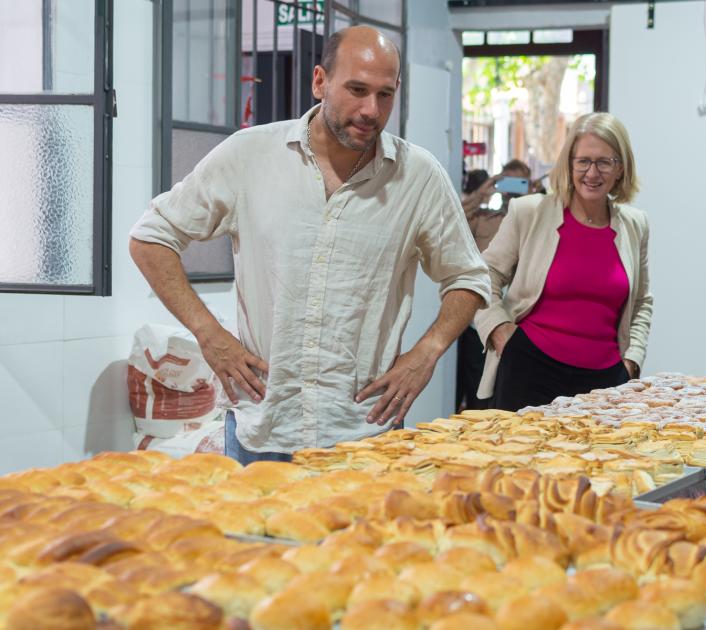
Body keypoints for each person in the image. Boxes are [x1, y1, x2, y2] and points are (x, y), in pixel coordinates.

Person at [129, 26, 489, 464]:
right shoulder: (251, 155)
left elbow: (468, 276)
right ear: (320, 81)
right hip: (262, 429)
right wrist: (209, 334)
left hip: (365, 432)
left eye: (384, 95)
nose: (370, 110)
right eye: (356, 90)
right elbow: (151, 237)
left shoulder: (418, 176)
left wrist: (427, 352)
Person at [475, 112, 653, 411]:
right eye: (583, 161)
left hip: (606, 382)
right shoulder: (529, 212)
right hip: (529, 371)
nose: (592, 173)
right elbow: (483, 276)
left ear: (620, 168)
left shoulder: (636, 225)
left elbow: (642, 302)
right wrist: (500, 332)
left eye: (604, 162)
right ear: (569, 164)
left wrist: (632, 360)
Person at [456, 159, 533, 411]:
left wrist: (534, 198)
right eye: (507, 182)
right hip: (480, 315)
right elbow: (451, 220)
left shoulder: (537, 221)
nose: (513, 190)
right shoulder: (484, 219)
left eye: (519, 182)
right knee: (475, 388)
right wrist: (481, 194)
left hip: (521, 320)